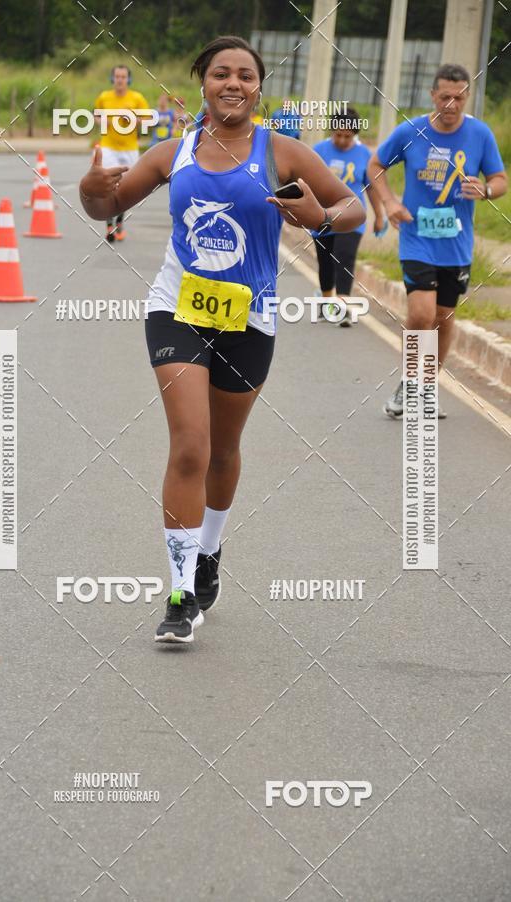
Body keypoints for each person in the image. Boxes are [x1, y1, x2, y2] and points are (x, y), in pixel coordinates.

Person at [79, 35, 365, 644]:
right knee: (190, 445)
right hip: (176, 309)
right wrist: (91, 187)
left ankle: (209, 552)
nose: (232, 83)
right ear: (201, 84)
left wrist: (315, 215)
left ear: (259, 87)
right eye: (220, 74)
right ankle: (181, 593)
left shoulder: (282, 151)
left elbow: (353, 211)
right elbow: (106, 206)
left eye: (245, 75)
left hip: (251, 317)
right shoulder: (172, 152)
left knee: (224, 451)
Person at [367, 63, 507, 418]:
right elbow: (375, 165)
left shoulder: (480, 135)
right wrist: (390, 201)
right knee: (421, 313)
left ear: (467, 97)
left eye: (459, 97)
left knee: (444, 316)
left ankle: (428, 386)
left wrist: (486, 189)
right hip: (416, 237)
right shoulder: (411, 131)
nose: (452, 104)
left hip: (456, 243)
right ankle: (409, 384)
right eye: (445, 96)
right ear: (433, 95)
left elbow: (500, 179)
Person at [312, 107, 386, 326]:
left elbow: (371, 187)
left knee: (345, 257)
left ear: (355, 134)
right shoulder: (318, 151)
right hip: (322, 216)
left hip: (353, 217)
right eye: (338, 135)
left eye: (348, 136)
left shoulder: (365, 155)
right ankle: (327, 303)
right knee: (326, 263)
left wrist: (379, 215)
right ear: (331, 131)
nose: (342, 140)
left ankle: (342, 305)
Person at [93, 64, 149, 242]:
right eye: (117, 76)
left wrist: (133, 119)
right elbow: (95, 115)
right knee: (108, 186)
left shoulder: (137, 98)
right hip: (108, 147)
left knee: (124, 188)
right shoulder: (104, 97)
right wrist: (102, 122)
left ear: (128, 80)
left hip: (130, 149)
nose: (120, 80)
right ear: (112, 79)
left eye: (123, 77)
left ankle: (119, 223)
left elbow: (148, 120)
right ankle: (109, 225)